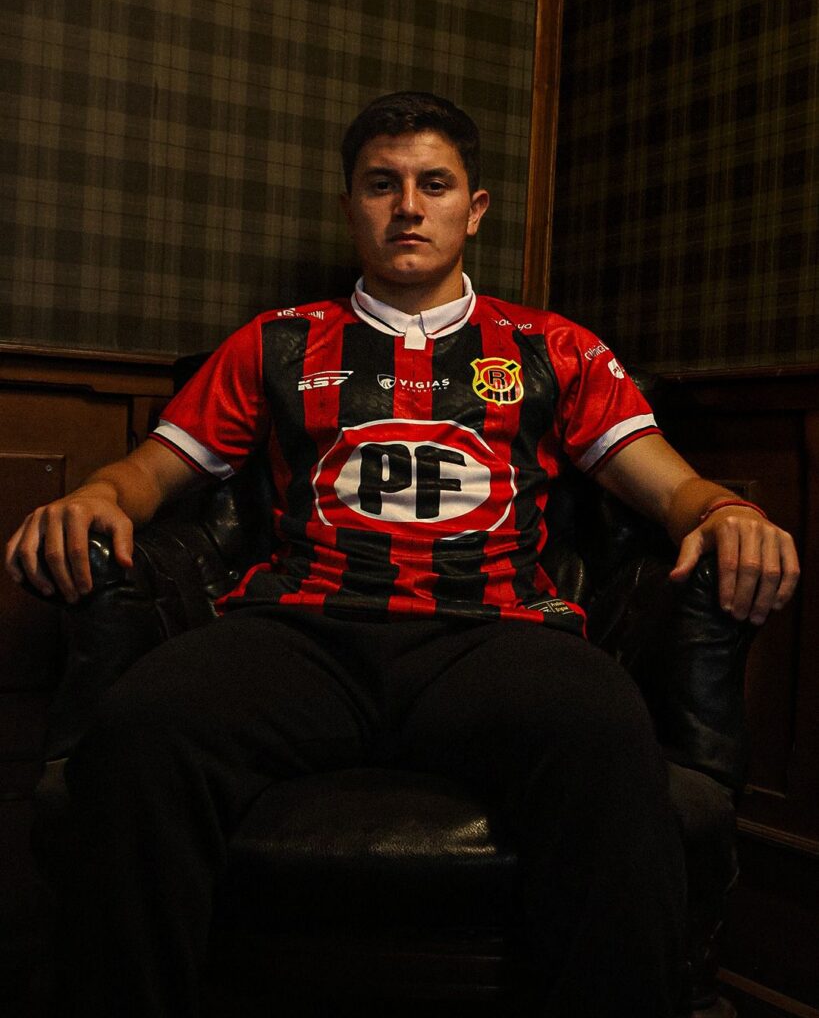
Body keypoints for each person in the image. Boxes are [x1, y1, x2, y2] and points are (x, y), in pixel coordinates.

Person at [5, 92, 799, 1017]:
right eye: (382, 185)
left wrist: (725, 510)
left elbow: (671, 487)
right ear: (350, 205)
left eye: (434, 184)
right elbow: (147, 474)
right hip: (303, 630)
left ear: (475, 207)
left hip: (494, 633)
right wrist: (96, 494)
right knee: (140, 727)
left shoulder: (553, 347)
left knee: (608, 736)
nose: (409, 207)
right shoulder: (276, 343)